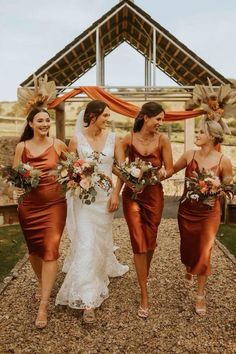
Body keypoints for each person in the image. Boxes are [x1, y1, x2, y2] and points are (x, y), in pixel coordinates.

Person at [56, 100, 128, 323]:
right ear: (93, 116)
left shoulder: (115, 139)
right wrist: (75, 180)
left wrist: (116, 194)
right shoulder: (76, 139)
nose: (109, 119)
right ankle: (88, 299)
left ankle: (100, 268)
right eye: (105, 115)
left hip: (106, 200)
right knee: (87, 241)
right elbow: (68, 169)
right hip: (83, 200)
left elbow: (122, 171)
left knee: (100, 239)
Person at [13, 105, 67, 328]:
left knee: (50, 250)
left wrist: (72, 180)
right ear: (31, 124)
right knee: (35, 250)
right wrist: (16, 189)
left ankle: (44, 305)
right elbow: (16, 175)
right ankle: (41, 283)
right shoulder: (22, 147)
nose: (45, 124)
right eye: (40, 121)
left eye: (47, 120)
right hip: (29, 206)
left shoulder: (58, 145)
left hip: (55, 205)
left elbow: (77, 167)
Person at [173, 119, 233, 315]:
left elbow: (227, 186)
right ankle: (189, 267)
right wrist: (147, 177)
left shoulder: (224, 160)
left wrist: (217, 188)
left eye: (200, 132)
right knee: (188, 247)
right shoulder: (190, 155)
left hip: (209, 213)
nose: (196, 135)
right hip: (186, 212)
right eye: (197, 131)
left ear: (212, 136)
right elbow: (170, 170)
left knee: (205, 250)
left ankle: (200, 295)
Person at [120, 101, 173, 318]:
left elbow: (169, 169)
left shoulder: (163, 140)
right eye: (158, 119)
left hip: (154, 196)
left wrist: (161, 174)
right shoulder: (128, 139)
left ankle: (144, 273)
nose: (161, 123)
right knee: (138, 242)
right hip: (131, 195)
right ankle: (144, 293)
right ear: (145, 118)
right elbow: (117, 166)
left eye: (162, 119)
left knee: (151, 241)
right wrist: (127, 178)